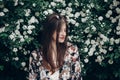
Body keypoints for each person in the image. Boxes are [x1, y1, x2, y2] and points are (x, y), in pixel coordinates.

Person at [29, 13, 82, 80]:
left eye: (65, 30)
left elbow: (77, 77)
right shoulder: (36, 55)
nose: (63, 34)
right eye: (59, 30)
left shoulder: (72, 51)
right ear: (50, 31)